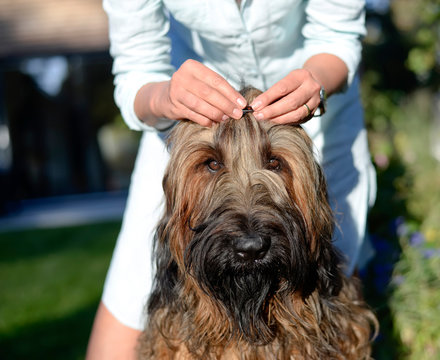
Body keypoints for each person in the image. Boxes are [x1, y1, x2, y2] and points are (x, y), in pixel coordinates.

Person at [86, 0, 376, 358]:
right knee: (117, 333)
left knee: (323, 277)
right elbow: (136, 70)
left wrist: (315, 83)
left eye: (273, 166)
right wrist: (165, 96)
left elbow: (337, 36)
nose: (250, 240)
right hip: (184, 116)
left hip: (313, 110)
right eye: (212, 168)